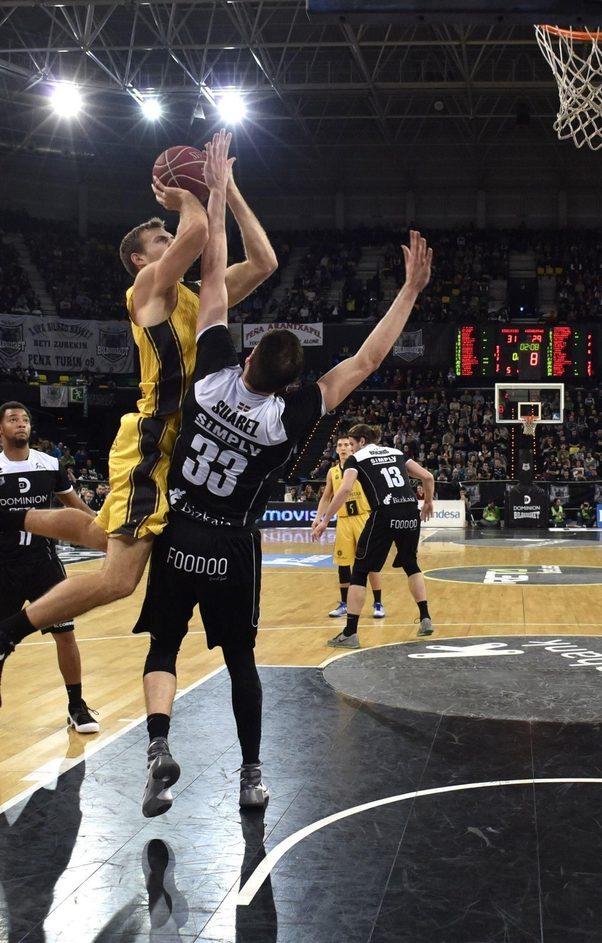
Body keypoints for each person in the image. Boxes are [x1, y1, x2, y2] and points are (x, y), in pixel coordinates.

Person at [133, 144, 432, 816]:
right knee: (241, 660)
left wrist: (219, 189)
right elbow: (367, 358)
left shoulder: (209, 381)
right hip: (234, 546)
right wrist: (409, 289)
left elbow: (212, 273)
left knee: (163, 642)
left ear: (246, 358)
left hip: (181, 526)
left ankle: (157, 746)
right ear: (293, 384)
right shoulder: (287, 421)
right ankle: (251, 775)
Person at [0, 130, 279, 709]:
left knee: (104, 536)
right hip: (155, 438)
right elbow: (201, 234)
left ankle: (3, 511)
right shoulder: (147, 289)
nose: (170, 237)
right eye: (160, 237)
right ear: (140, 258)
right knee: (119, 579)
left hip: (178, 444)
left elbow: (262, 260)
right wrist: (188, 196)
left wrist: (227, 190)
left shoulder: (199, 294)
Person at [0, 402, 100, 735]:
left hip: (43, 562)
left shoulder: (50, 464)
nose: (21, 424)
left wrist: (104, 527)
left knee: (65, 634)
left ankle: (76, 706)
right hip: (2, 564)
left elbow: (74, 506)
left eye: (25, 420)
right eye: (13, 420)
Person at [313, 424, 437, 647]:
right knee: (411, 564)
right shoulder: (396, 452)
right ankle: (425, 617)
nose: (349, 448)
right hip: (410, 511)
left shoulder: (357, 459)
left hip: (384, 512)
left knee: (359, 572)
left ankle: (350, 633)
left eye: (351, 443)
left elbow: (345, 489)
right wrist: (427, 502)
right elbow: (427, 477)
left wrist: (325, 520)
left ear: (362, 441)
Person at [318, 434, 384, 624]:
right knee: (343, 563)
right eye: (340, 445)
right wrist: (318, 518)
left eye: (347, 444)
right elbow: (326, 497)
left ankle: (378, 603)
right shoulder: (332, 472)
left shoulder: (363, 465)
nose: (344, 447)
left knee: (370, 562)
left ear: (353, 447)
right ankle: (345, 603)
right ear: (336, 450)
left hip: (364, 517)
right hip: (344, 520)